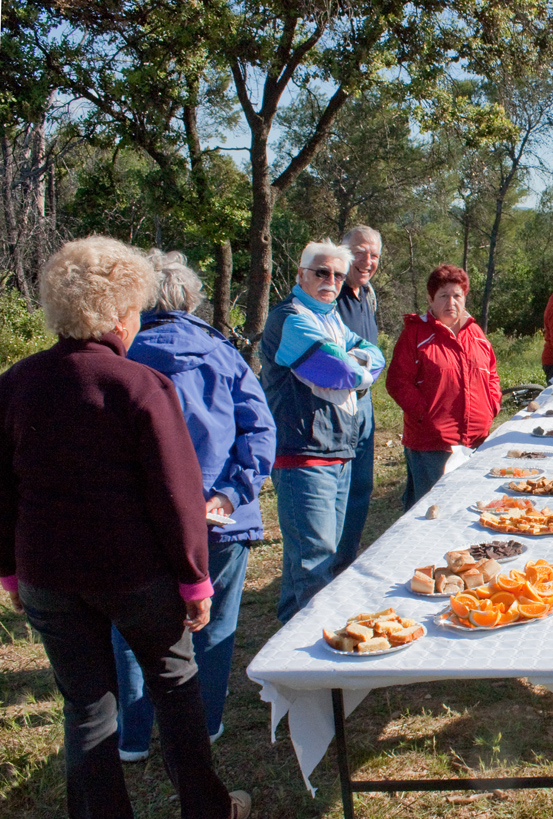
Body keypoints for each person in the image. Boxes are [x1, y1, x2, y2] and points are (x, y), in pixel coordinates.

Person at [0, 237, 251, 818]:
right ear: (119, 314)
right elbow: (176, 494)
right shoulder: (139, 384)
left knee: (86, 706)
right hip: (133, 573)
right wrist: (195, 579)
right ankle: (207, 809)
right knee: (176, 685)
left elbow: (2, 489)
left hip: (47, 574)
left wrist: (10, 573)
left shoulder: (14, 383)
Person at [113, 251, 276, 762]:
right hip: (217, 516)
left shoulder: (119, 356)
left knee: (133, 627)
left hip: (141, 518)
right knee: (216, 622)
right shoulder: (222, 353)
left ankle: (133, 736)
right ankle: (204, 724)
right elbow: (260, 429)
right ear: (190, 299)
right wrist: (230, 492)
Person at [260, 240, 385, 624]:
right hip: (304, 454)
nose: (331, 280)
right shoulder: (290, 318)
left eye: (338, 275)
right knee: (314, 562)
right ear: (301, 274)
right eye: (322, 272)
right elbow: (338, 369)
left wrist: (355, 362)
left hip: (337, 450)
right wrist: (358, 369)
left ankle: (290, 639)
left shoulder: (329, 318)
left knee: (312, 559)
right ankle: (312, 649)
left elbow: (375, 355)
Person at [387, 264, 502, 510]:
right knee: (431, 512)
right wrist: (427, 416)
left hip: (476, 441)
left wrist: (492, 405)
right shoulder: (415, 334)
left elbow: (491, 373)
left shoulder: (476, 333)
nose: (451, 302)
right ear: (430, 299)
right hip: (432, 446)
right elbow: (398, 383)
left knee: (471, 509)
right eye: (443, 296)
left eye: (457, 295)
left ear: (465, 298)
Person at [335, 225, 382, 579]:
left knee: (362, 486)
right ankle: (334, 565)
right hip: (339, 405)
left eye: (374, 255)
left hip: (364, 402)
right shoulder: (331, 293)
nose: (367, 261)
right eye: (359, 252)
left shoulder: (367, 293)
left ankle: (347, 557)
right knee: (340, 487)